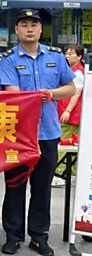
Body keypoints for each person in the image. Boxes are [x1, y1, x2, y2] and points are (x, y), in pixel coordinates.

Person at [0, 9, 76, 256]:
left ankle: (39, 236)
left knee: (42, 188)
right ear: (16, 30)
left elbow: (71, 88)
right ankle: (13, 236)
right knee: (15, 186)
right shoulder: (9, 59)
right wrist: (36, 96)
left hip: (48, 133)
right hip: (19, 134)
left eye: (34, 24)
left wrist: (51, 94)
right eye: (24, 25)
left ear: (41, 29)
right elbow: (12, 93)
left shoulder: (55, 57)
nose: (29, 29)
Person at [54, 44, 85, 185]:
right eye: (66, 53)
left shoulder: (78, 73)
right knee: (71, 144)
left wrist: (68, 111)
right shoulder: (71, 71)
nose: (67, 56)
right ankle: (70, 173)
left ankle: (60, 173)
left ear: (79, 57)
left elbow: (76, 94)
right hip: (67, 112)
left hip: (71, 115)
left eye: (71, 54)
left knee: (65, 143)